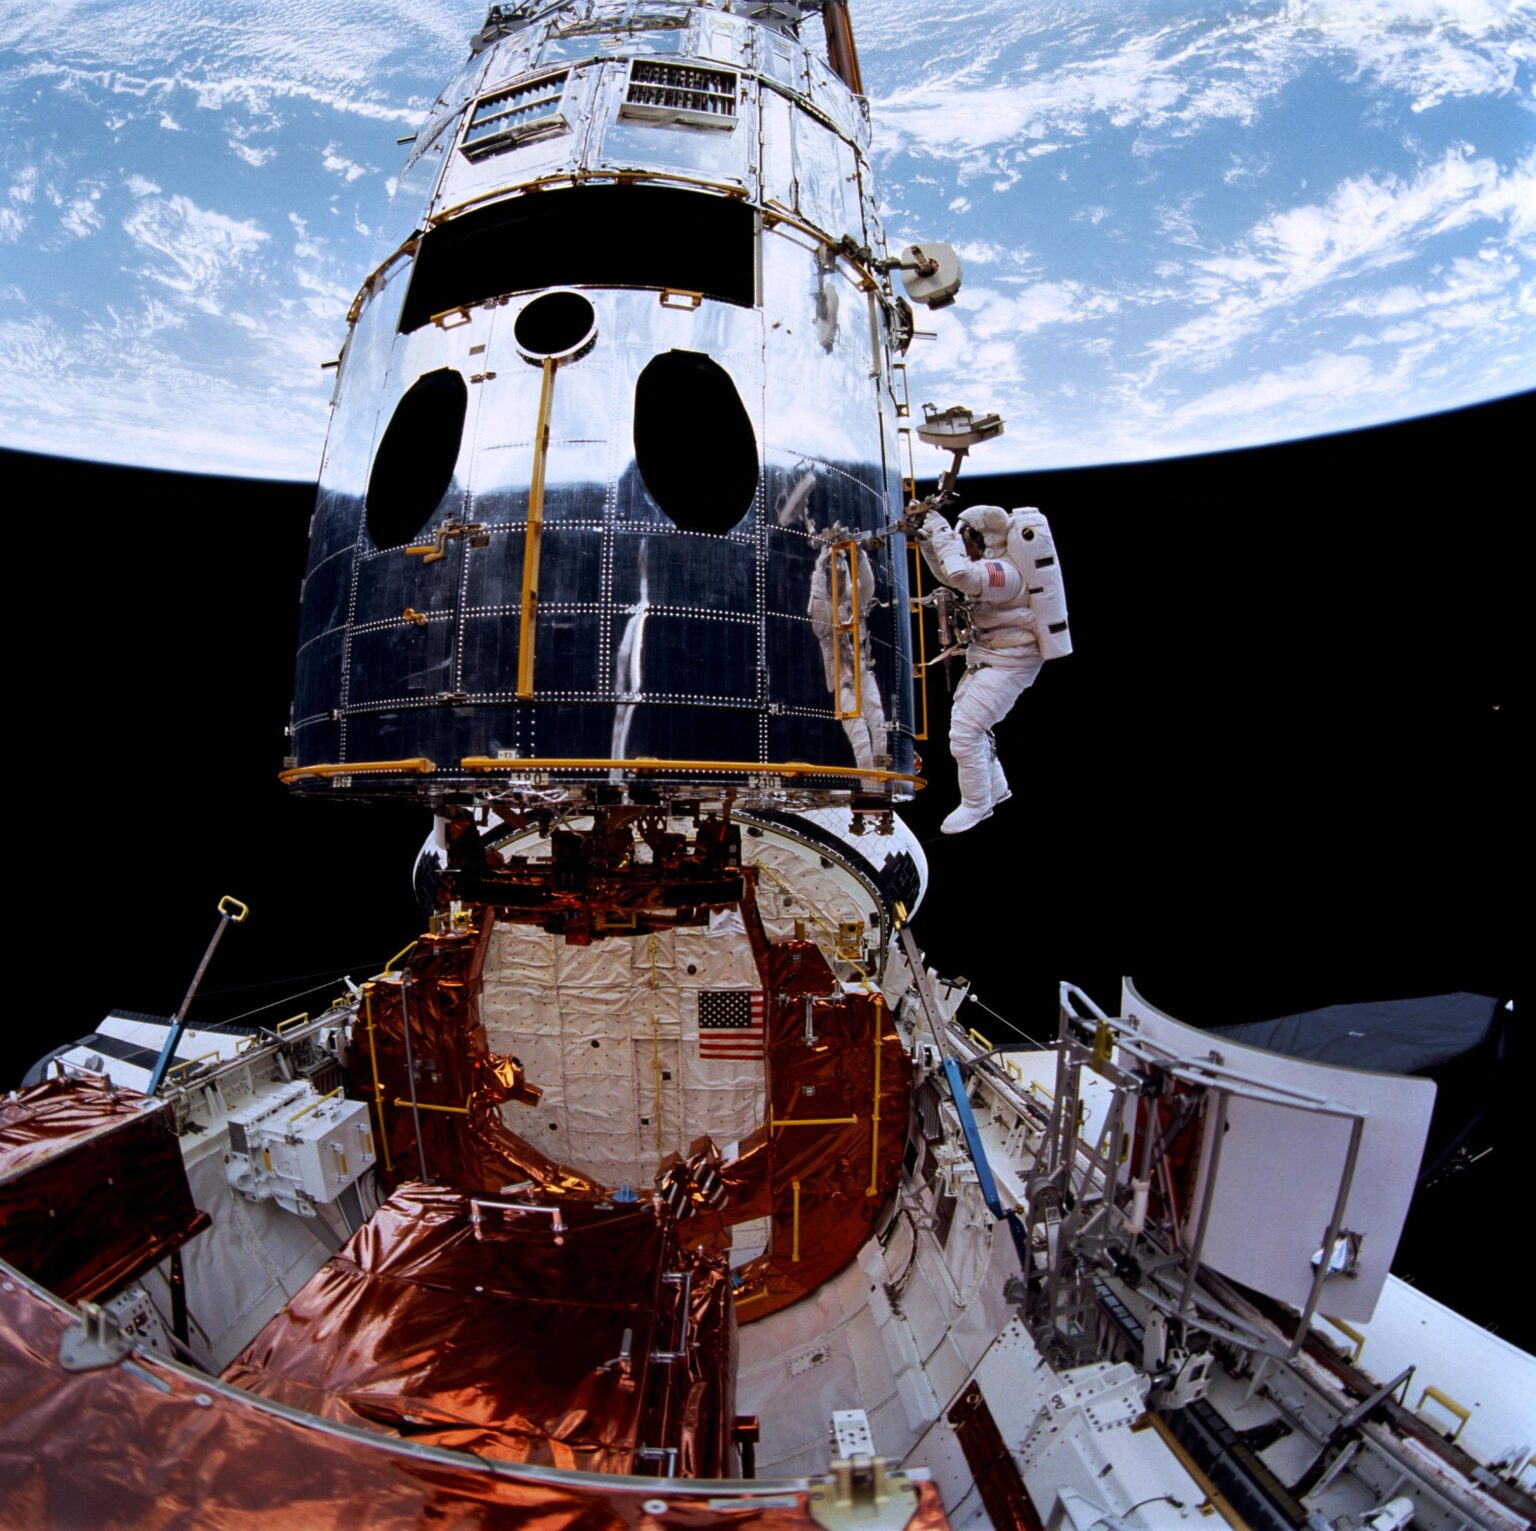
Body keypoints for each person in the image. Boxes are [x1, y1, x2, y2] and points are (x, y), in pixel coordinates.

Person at [917, 503, 1070, 833]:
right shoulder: (989, 569)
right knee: (972, 721)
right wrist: (929, 541)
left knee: (965, 732)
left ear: (980, 538)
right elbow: (949, 573)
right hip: (992, 658)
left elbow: (960, 574)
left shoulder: (1004, 574)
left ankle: (977, 805)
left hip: (1009, 665)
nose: (961, 547)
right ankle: (996, 788)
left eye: (963, 540)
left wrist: (942, 531)